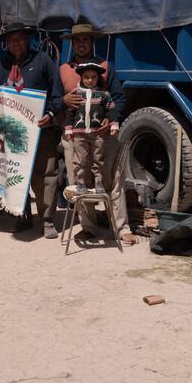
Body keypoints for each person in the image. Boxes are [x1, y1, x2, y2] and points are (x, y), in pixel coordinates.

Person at [60, 23, 134, 245]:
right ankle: (89, 228)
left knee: (112, 179)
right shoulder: (63, 69)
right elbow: (53, 99)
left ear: (92, 42)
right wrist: (63, 101)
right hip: (76, 134)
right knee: (79, 178)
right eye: (77, 40)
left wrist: (110, 119)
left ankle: (121, 228)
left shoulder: (105, 67)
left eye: (85, 40)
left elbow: (119, 98)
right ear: (72, 44)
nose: (81, 44)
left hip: (104, 135)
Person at [0, 23, 63, 238]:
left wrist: (50, 115)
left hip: (42, 130)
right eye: (11, 40)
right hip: (14, 132)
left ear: (28, 40)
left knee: (46, 175)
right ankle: (22, 216)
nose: (16, 43)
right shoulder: (3, 65)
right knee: (16, 173)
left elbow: (57, 93)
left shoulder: (43, 60)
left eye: (20, 38)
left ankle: (47, 219)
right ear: (6, 44)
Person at [63, 61, 120, 194]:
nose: (90, 80)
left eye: (93, 77)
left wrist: (114, 125)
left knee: (98, 158)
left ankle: (99, 181)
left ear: (98, 78)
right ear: (81, 77)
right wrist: (69, 129)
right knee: (80, 159)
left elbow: (111, 110)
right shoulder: (76, 93)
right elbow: (70, 112)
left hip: (98, 133)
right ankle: (81, 182)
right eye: (86, 77)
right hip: (79, 134)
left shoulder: (104, 94)